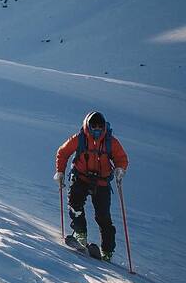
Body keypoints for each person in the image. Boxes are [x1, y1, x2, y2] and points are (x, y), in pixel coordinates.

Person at [54, 111, 129, 260]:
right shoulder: (80, 139)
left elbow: (121, 157)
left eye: (99, 127)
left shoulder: (110, 142)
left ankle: (107, 251)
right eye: (93, 126)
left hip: (102, 181)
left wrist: (120, 169)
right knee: (75, 204)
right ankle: (80, 233)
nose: (96, 130)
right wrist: (60, 172)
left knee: (103, 217)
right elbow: (62, 153)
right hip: (81, 177)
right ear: (88, 125)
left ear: (103, 128)